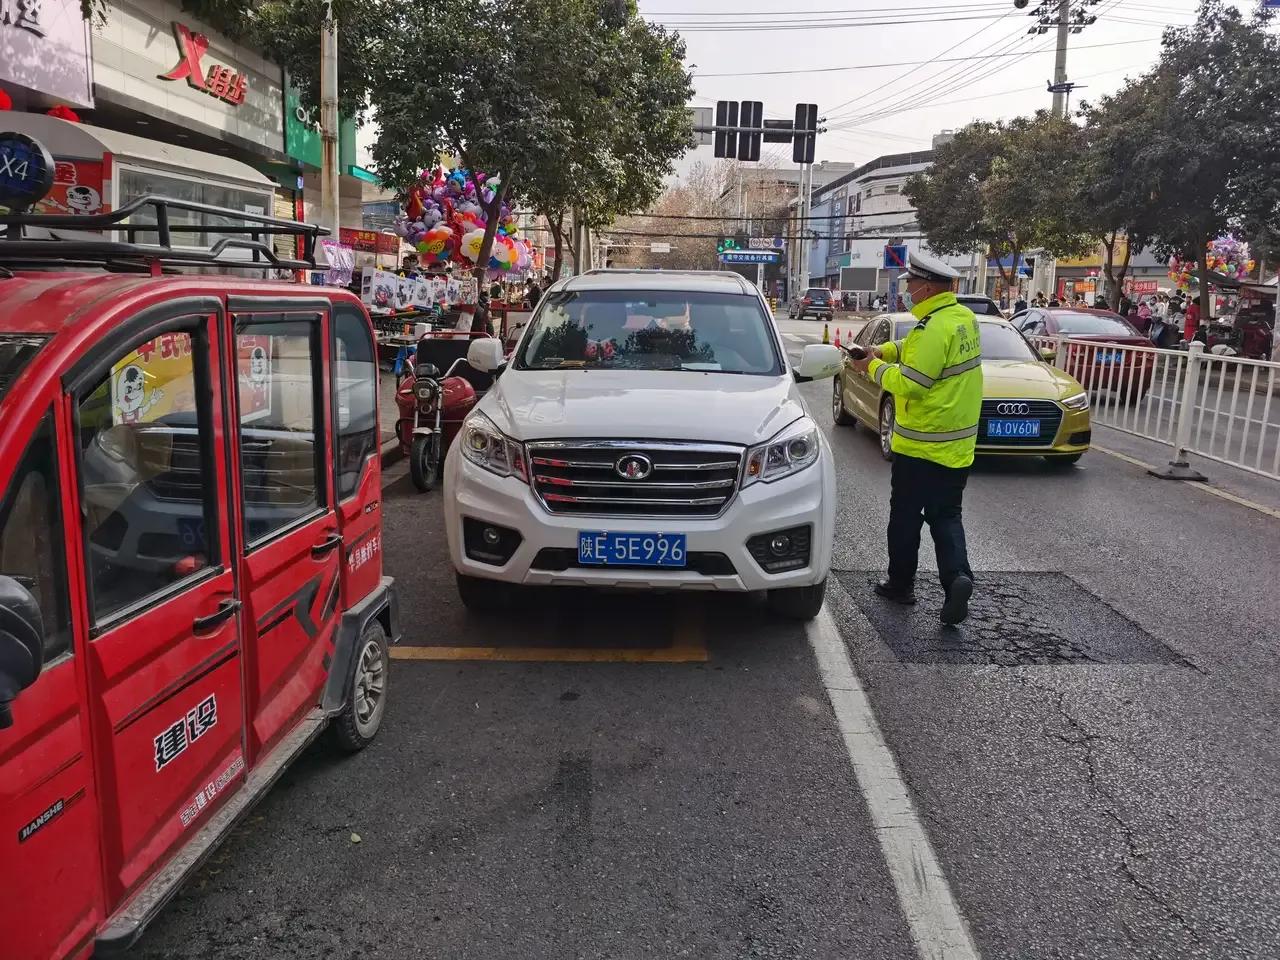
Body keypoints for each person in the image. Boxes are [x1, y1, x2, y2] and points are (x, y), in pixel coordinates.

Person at [847, 250, 983, 626]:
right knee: (947, 516)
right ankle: (957, 578)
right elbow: (913, 350)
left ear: (924, 288)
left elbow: (911, 383)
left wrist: (869, 365)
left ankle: (900, 584)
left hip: (920, 445)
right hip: (957, 449)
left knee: (905, 518)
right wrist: (882, 349)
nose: (907, 290)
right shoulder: (961, 320)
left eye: (910, 285)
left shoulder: (931, 329)